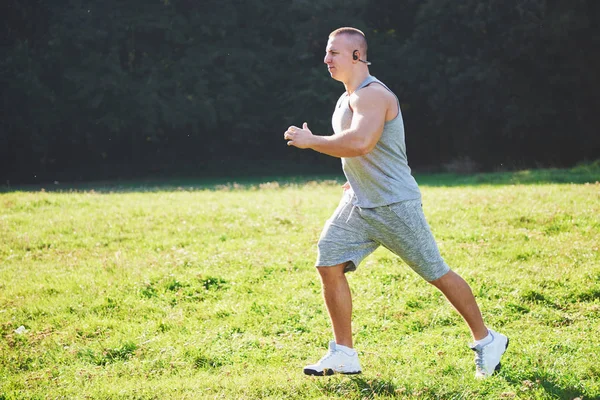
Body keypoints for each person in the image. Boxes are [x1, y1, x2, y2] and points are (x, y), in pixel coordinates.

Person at [283, 27, 508, 378]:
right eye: (327, 53)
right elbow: (360, 153)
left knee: (437, 272)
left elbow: (360, 143)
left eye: (334, 53)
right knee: (328, 261)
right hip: (360, 202)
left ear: (357, 56)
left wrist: (311, 140)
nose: (326, 59)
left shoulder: (372, 95)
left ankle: (487, 339)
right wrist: (356, 178)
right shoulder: (347, 97)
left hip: (393, 205)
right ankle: (344, 353)